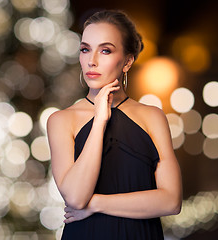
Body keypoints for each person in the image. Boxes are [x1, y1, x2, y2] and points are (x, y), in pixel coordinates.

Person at [47, 10, 182, 239]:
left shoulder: (152, 117)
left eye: (105, 50)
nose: (92, 60)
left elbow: (171, 201)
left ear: (128, 61)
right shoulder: (61, 120)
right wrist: (99, 120)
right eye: (85, 49)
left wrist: (96, 204)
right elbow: (77, 198)